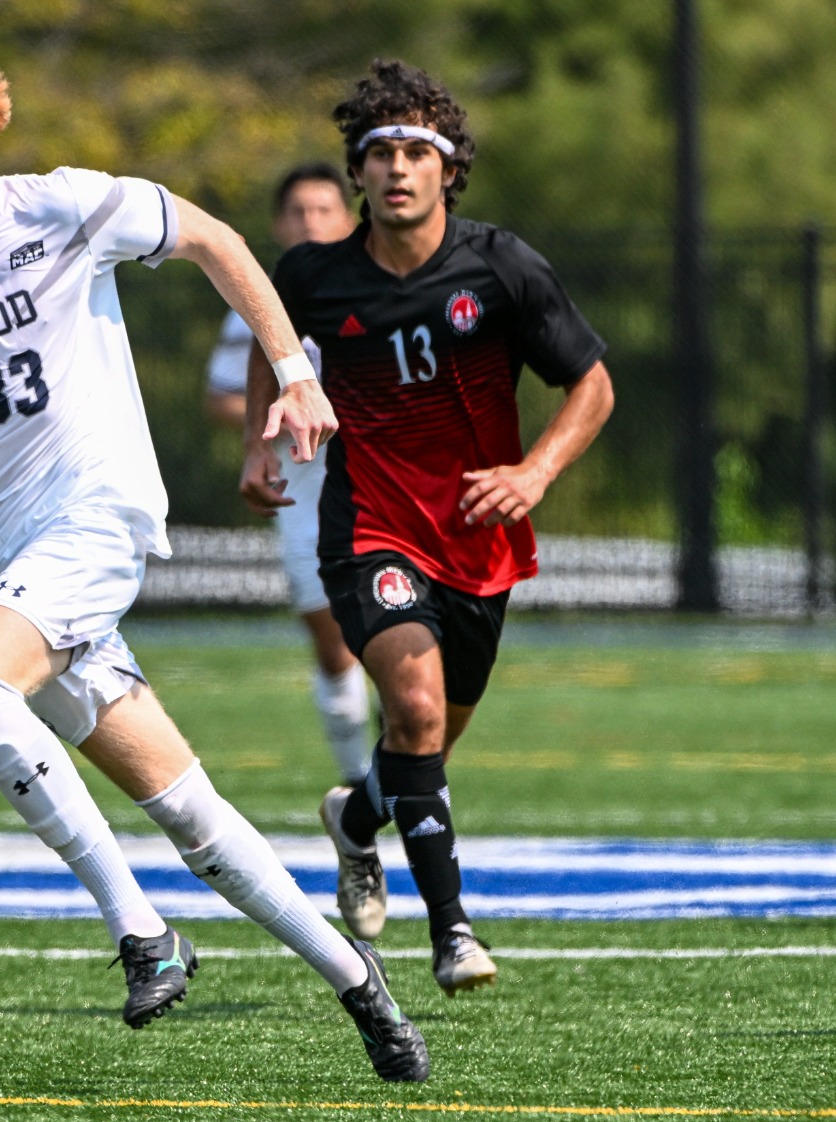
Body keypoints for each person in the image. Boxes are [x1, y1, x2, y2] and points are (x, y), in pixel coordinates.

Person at [0, 10, 427, 1082]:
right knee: (188, 810)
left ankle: (140, 931)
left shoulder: (63, 205)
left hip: (98, 517)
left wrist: (294, 374)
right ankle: (360, 983)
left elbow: (217, 241)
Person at [242, 60, 614, 996]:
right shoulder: (314, 275)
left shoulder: (501, 267)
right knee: (410, 710)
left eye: (417, 151)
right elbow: (269, 342)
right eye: (380, 152)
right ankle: (453, 933)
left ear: (449, 168)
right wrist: (259, 440)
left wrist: (535, 472)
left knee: (426, 743)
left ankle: (355, 818)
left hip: (478, 540)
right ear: (357, 171)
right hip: (369, 528)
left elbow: (592, 384)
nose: (397, 168)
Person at [204, 164, 372, 790]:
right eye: (298, 211)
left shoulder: (381, 291)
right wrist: (279, 418)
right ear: (278, 224)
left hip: (384, 490)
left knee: (402, 640)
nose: (311, 222)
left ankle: (402, 767)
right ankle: (357, 781)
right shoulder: (258, 307)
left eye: (324, 210)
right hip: (306, 496)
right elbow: (222, 397)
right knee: (334, 646)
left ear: (348, 219)